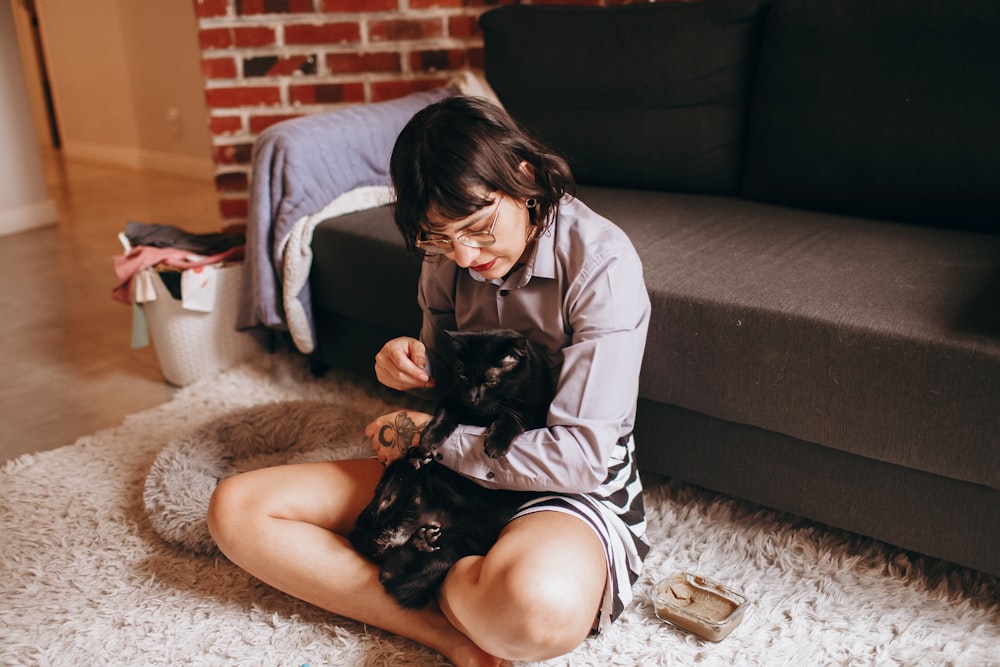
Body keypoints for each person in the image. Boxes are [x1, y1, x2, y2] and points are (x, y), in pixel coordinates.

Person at [207, 96, 651, 666]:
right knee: (237, 509)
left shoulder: (600, 265)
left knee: (536, 612)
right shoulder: (448, 252)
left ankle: (438, 572)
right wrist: (409, 365)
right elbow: (451, 378)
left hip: (561, 485)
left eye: (479, 228)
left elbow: (579, 457)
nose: (464, 256)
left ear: (523, 175)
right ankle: (447, 632)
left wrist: (432, 439)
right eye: (439, 238)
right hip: (452, 475)